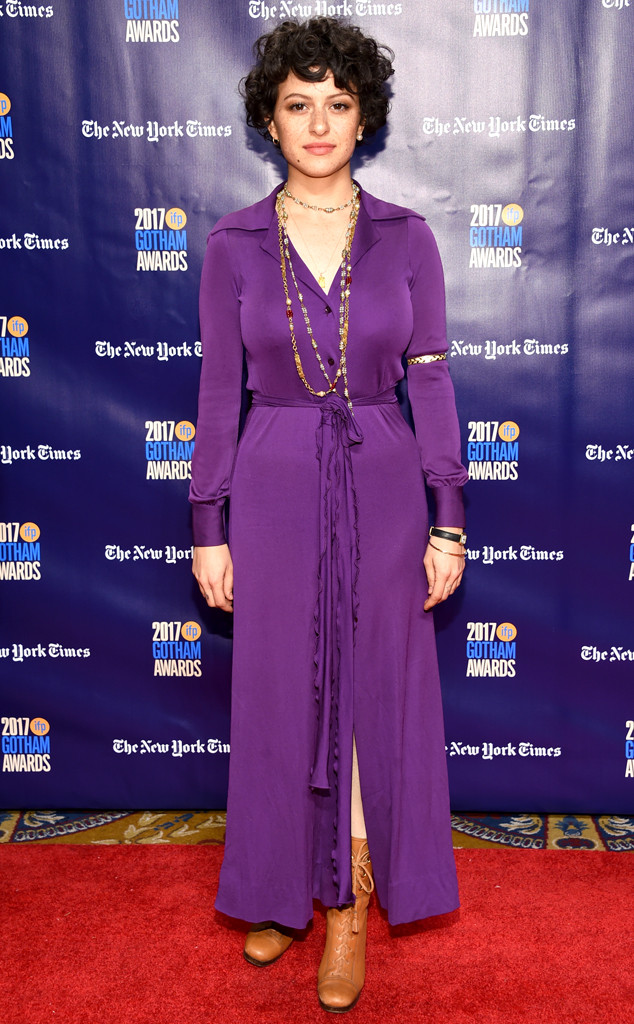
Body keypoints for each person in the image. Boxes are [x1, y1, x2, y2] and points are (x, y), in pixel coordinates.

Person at [190, 17, 467, 1014]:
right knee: (273, 691)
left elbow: (428, 381)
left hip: (387, 479)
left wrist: (447, 515)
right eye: (298, 103)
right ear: (270, 117)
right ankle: (277, 889)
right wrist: (207, 525)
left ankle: (346, 905)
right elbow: (221, 395)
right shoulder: (229, 243)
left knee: (371, 694)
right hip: (270, 478)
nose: (318, 122)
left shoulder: (407, 237)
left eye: (337, 103)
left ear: (364, 117)